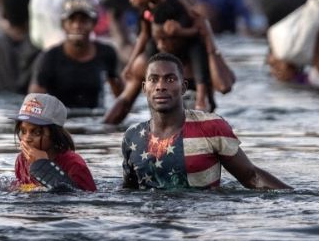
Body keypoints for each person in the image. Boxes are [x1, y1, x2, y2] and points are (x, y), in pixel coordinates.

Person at [122, 53, 291, 190]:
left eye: (170, 79)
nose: (160, 86)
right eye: (153, 79)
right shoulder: (133, 136)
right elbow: (128, 192)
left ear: (184, 87)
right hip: (149, 230)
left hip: (200, 225)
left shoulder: (210, 127)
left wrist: (296, 199)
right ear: (144, 88)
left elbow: (251, 177)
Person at [29, 0, 122, 109]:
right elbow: (34, 102)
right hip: (61, 122)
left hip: (94, 120)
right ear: (63, 25)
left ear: (93, 24)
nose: (77, 26)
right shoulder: (49, 58)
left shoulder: (107, 53)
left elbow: (121, 97)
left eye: (83, 21)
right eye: (71, 20)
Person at [12, 93, 96, 192]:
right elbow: (21, 188)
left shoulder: (74, 164)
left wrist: (42, 165)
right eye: (23, 131)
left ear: (55, 134)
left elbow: (85, 197)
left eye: (37, 132)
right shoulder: (22, 160)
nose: (26, 138)